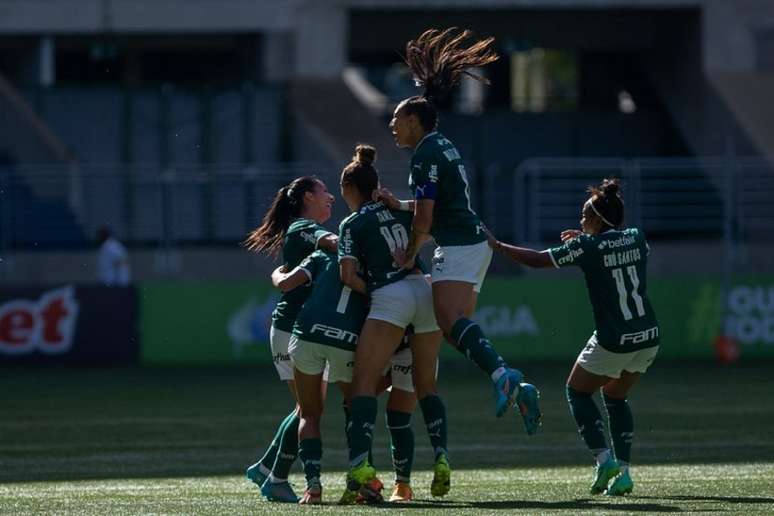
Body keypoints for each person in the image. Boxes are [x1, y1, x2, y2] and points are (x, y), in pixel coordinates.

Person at [376, 28, 540, 432]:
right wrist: (402, 204)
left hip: (460, 244)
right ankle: (510, 384)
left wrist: (411, 252)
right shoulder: (442, 145)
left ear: (414, 120)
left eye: (397, 120)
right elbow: (441, 204)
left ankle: (506, 377)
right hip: (472, 240)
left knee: (448, 321)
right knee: (453, 331)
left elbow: (428, 219)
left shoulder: (424, 154)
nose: (392, 126)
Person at [485, 178, 659, 496]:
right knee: (616, 397)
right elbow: (614, 252)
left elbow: (538, 260)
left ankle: (604, 460)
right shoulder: (636, 237)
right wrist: (586, 240)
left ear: (596, 219)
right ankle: (624, 473)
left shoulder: (586, 247)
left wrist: (498, 246)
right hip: (648, 335)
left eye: (584, 216)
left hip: (615, 338)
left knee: (577, 392)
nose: (580, 221)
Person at [335, 144, 448, 501]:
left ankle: (360, 468)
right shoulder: (400, 210)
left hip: (391, 298)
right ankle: (435, 461)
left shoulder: (352, 222)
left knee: (363, 385)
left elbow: (348, 275)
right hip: (425, 291)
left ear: (349, 190)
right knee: (423, 388)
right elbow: (433, 221)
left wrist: (376, 289)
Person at [242, 176, 336, 502]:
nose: (331, 197)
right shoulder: (303, 228)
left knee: (306, 408)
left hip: (297, 329)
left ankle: (267, 468)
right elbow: (336, 245)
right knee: (310, 409)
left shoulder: (301, 230)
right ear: (308, 196)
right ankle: (275, 476)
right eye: (325, 191)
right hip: (291, 330)